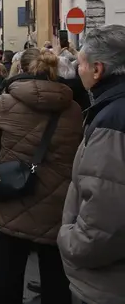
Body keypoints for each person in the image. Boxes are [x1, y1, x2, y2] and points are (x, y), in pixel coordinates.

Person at [0, 47, 83, 304]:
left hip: (14, 196)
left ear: (23, 70)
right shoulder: (73, 109)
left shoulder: (6, 102)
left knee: (7, 273)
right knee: (56, 277)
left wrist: (3, 164)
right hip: (57, 206)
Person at [58, 24, 125, 304]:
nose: (77, 71)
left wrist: (69, 240)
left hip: (107, 284)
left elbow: (105, 217)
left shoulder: (112, 119)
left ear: (97, 70)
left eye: (80, 64)